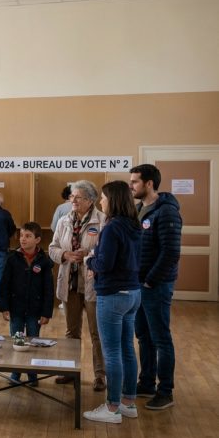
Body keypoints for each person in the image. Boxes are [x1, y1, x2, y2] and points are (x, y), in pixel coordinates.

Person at [83, 180, 142, 423]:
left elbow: (104, 264)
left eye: (104, 198)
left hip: (113, 295)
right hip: (133, 294)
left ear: (114, 200)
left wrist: (89, 261)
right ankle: (128, 402)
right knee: (127, 348)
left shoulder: (112, 227)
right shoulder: (134, 225)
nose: (101, 202)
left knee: (112, 352)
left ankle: (112, 408)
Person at [130, 164, 182, 410]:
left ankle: (165, 391)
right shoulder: (139, 209)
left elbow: (171, 252)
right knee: (143, 336)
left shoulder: (166, 211)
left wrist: (150, 280)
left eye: (135, 182)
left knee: (161, 338)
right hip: (140, 284)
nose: (131, 186)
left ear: (149, 183)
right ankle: (147, 382)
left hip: (156, 285)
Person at [49, 180, 107, 391]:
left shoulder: (102, 221)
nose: (73, 201)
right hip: (70, 284)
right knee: (71, 332)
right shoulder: (64, 220)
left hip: (93, 285)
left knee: (96, 333)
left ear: (90, 200)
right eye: (71, 197)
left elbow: (106, 252)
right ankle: (68, 371)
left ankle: (100, 375)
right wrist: (64, 254)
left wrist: (86, 255)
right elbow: (52, 248)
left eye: (78, 197)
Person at [0, 222, 54, 387]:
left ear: (37, 239)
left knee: (32, 341)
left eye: (28, 236)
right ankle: (15, 374)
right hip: (16, 309)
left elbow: (48, 289)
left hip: (35, 311)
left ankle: (32, 375)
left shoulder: (44, 261)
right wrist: (4, 307)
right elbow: (4, 284)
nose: (23, 239)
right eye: (21, 235)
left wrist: (46, 313)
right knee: (18, 341)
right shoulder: (12, 258)